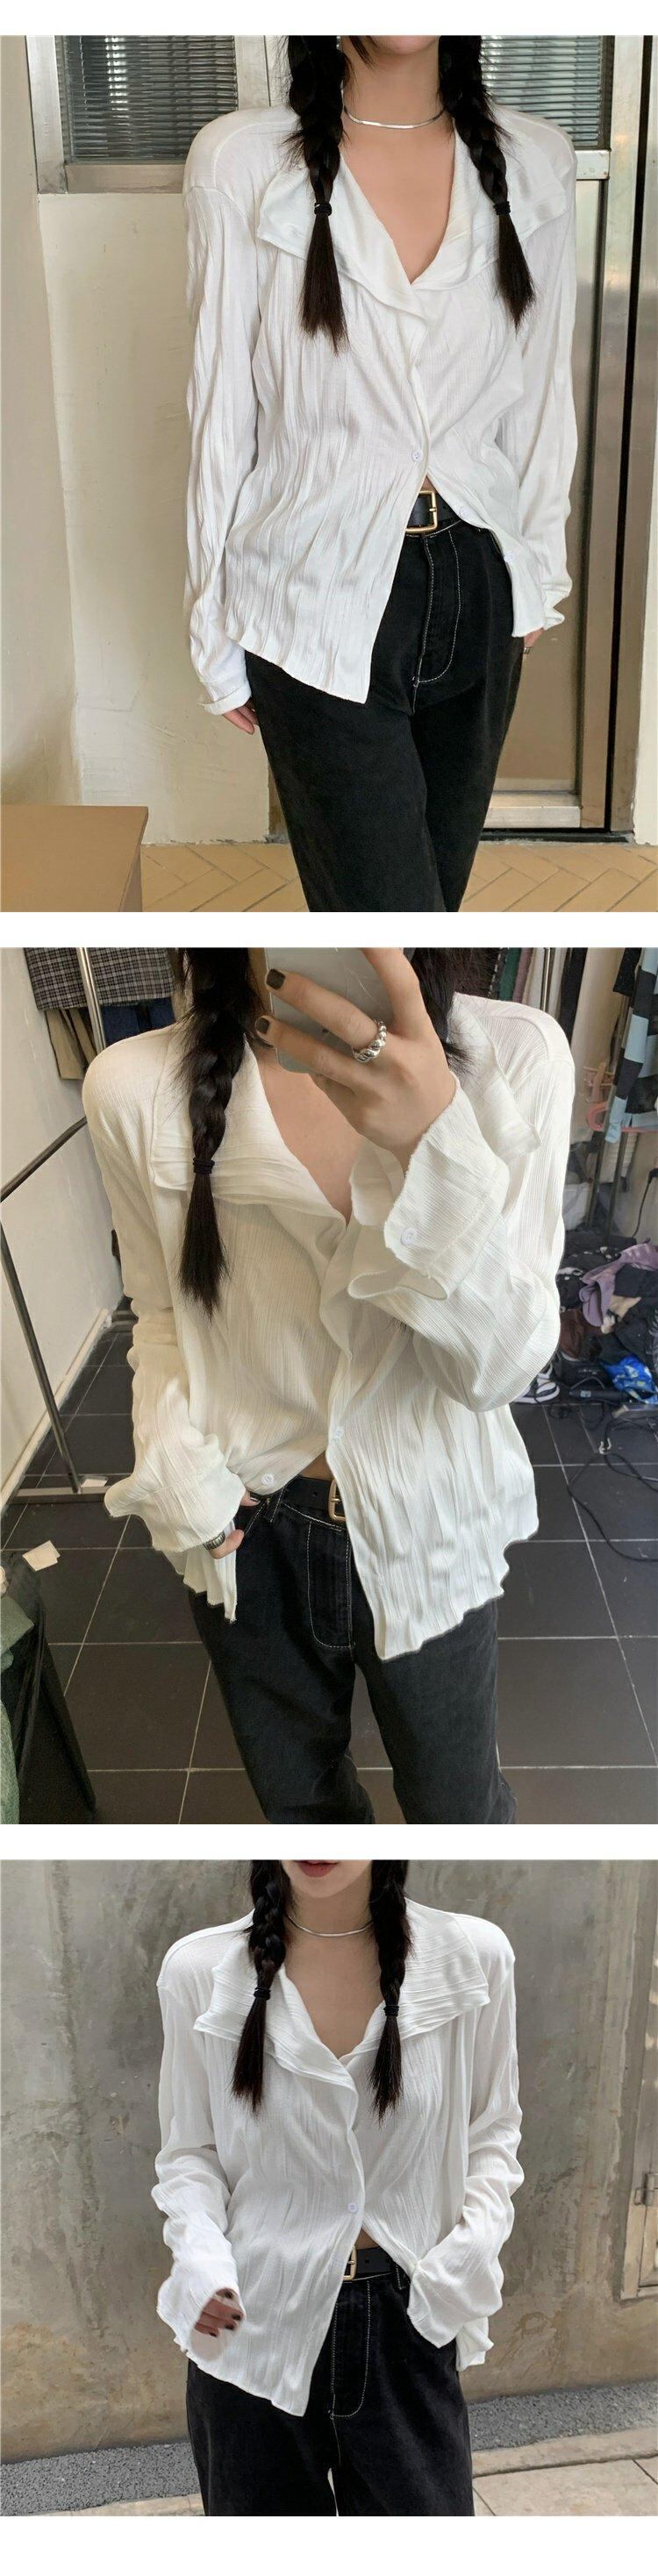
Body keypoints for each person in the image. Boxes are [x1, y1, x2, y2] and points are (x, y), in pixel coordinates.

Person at [82, 947, 574, 1823]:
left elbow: (499, 1367)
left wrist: (433, 1146)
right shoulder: (132, 1087)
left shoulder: (516, 1056)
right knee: (302, 1814)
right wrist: (180, 1472)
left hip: (432, 1516)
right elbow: (158, 1313)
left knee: (462, 1812)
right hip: (247, 1529)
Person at [183, 35, 577, 910]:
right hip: (312, 592)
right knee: (385, 915)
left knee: (436, 906)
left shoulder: (534, 161)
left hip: (482, 581)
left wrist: (538, 571)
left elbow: (541, 389)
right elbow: (221, 412)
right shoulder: (242, 161)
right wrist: (213, 625)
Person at [154, 1859, 523, 2517]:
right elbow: (191, 2151)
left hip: (408, 2316)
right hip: (252, 2318)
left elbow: (493, 2130)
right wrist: (202, 2260)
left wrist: (464, 2260)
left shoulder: (472, 1957)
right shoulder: (200, 1970)